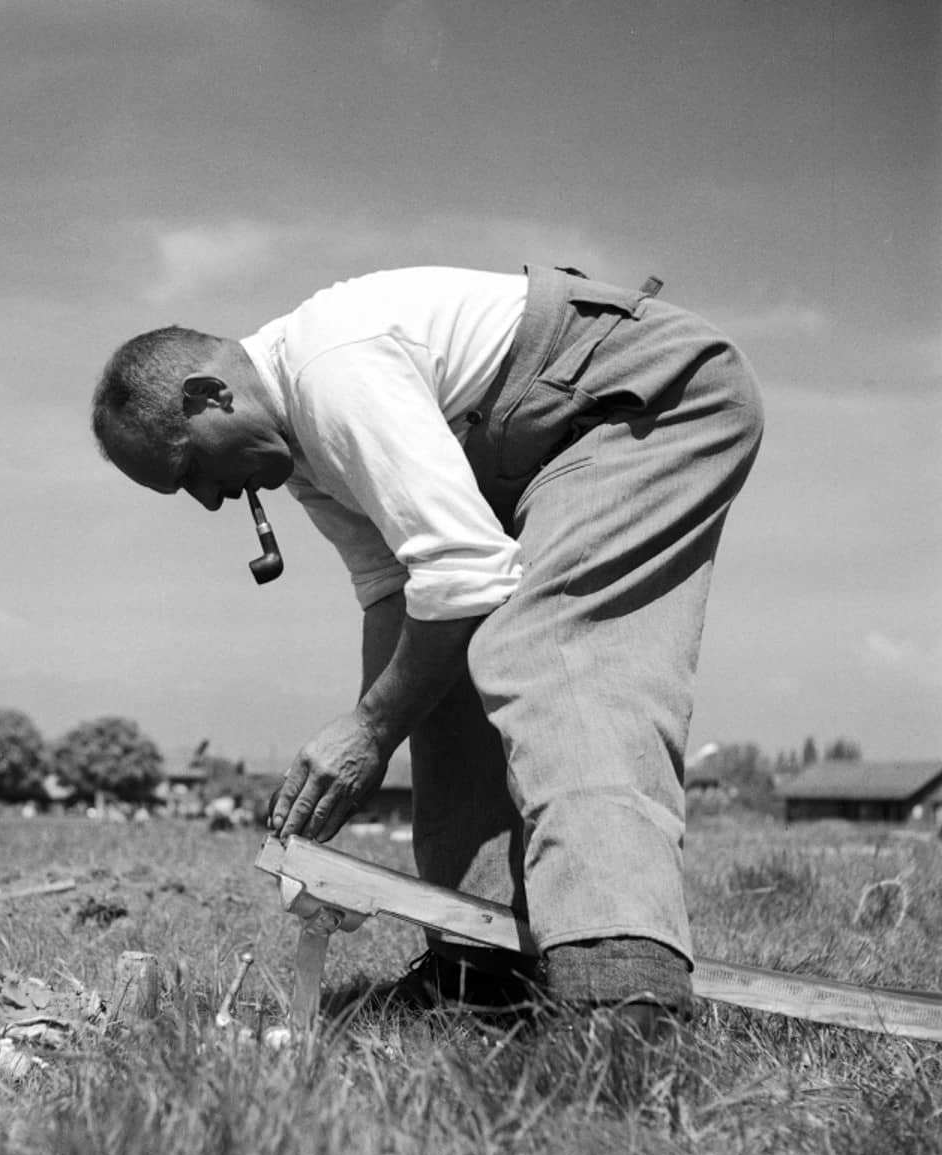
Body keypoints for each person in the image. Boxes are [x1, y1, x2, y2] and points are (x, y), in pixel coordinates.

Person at [90, 263, 763, 1028]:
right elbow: (397, 593)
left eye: (191, 471)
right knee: (437, 685)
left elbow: (466, 572)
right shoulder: (305, 457)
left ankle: (620, 998)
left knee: (553, 649)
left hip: (644, 401)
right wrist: (365, 746)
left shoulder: (330, 371)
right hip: (550, 446)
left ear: (209, 396)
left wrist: (370, 729)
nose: (211, 499)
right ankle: (481, 976)